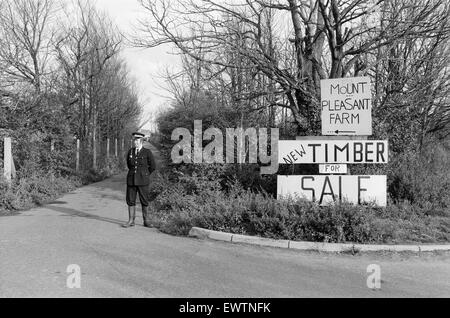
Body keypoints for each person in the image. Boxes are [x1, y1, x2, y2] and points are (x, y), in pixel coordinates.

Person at [123, 131, 156, 228]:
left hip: (143, 180)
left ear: (141, 141)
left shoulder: (147, 152)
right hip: (131, 180)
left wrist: (145, 174)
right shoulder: (131, 151)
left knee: (144, 200)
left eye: (137, 140)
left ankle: (146, 221)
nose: (135, 142)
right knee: (130, 200)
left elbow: (153, 166)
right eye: (134, 140)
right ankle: (131, 221)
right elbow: (129, 165)